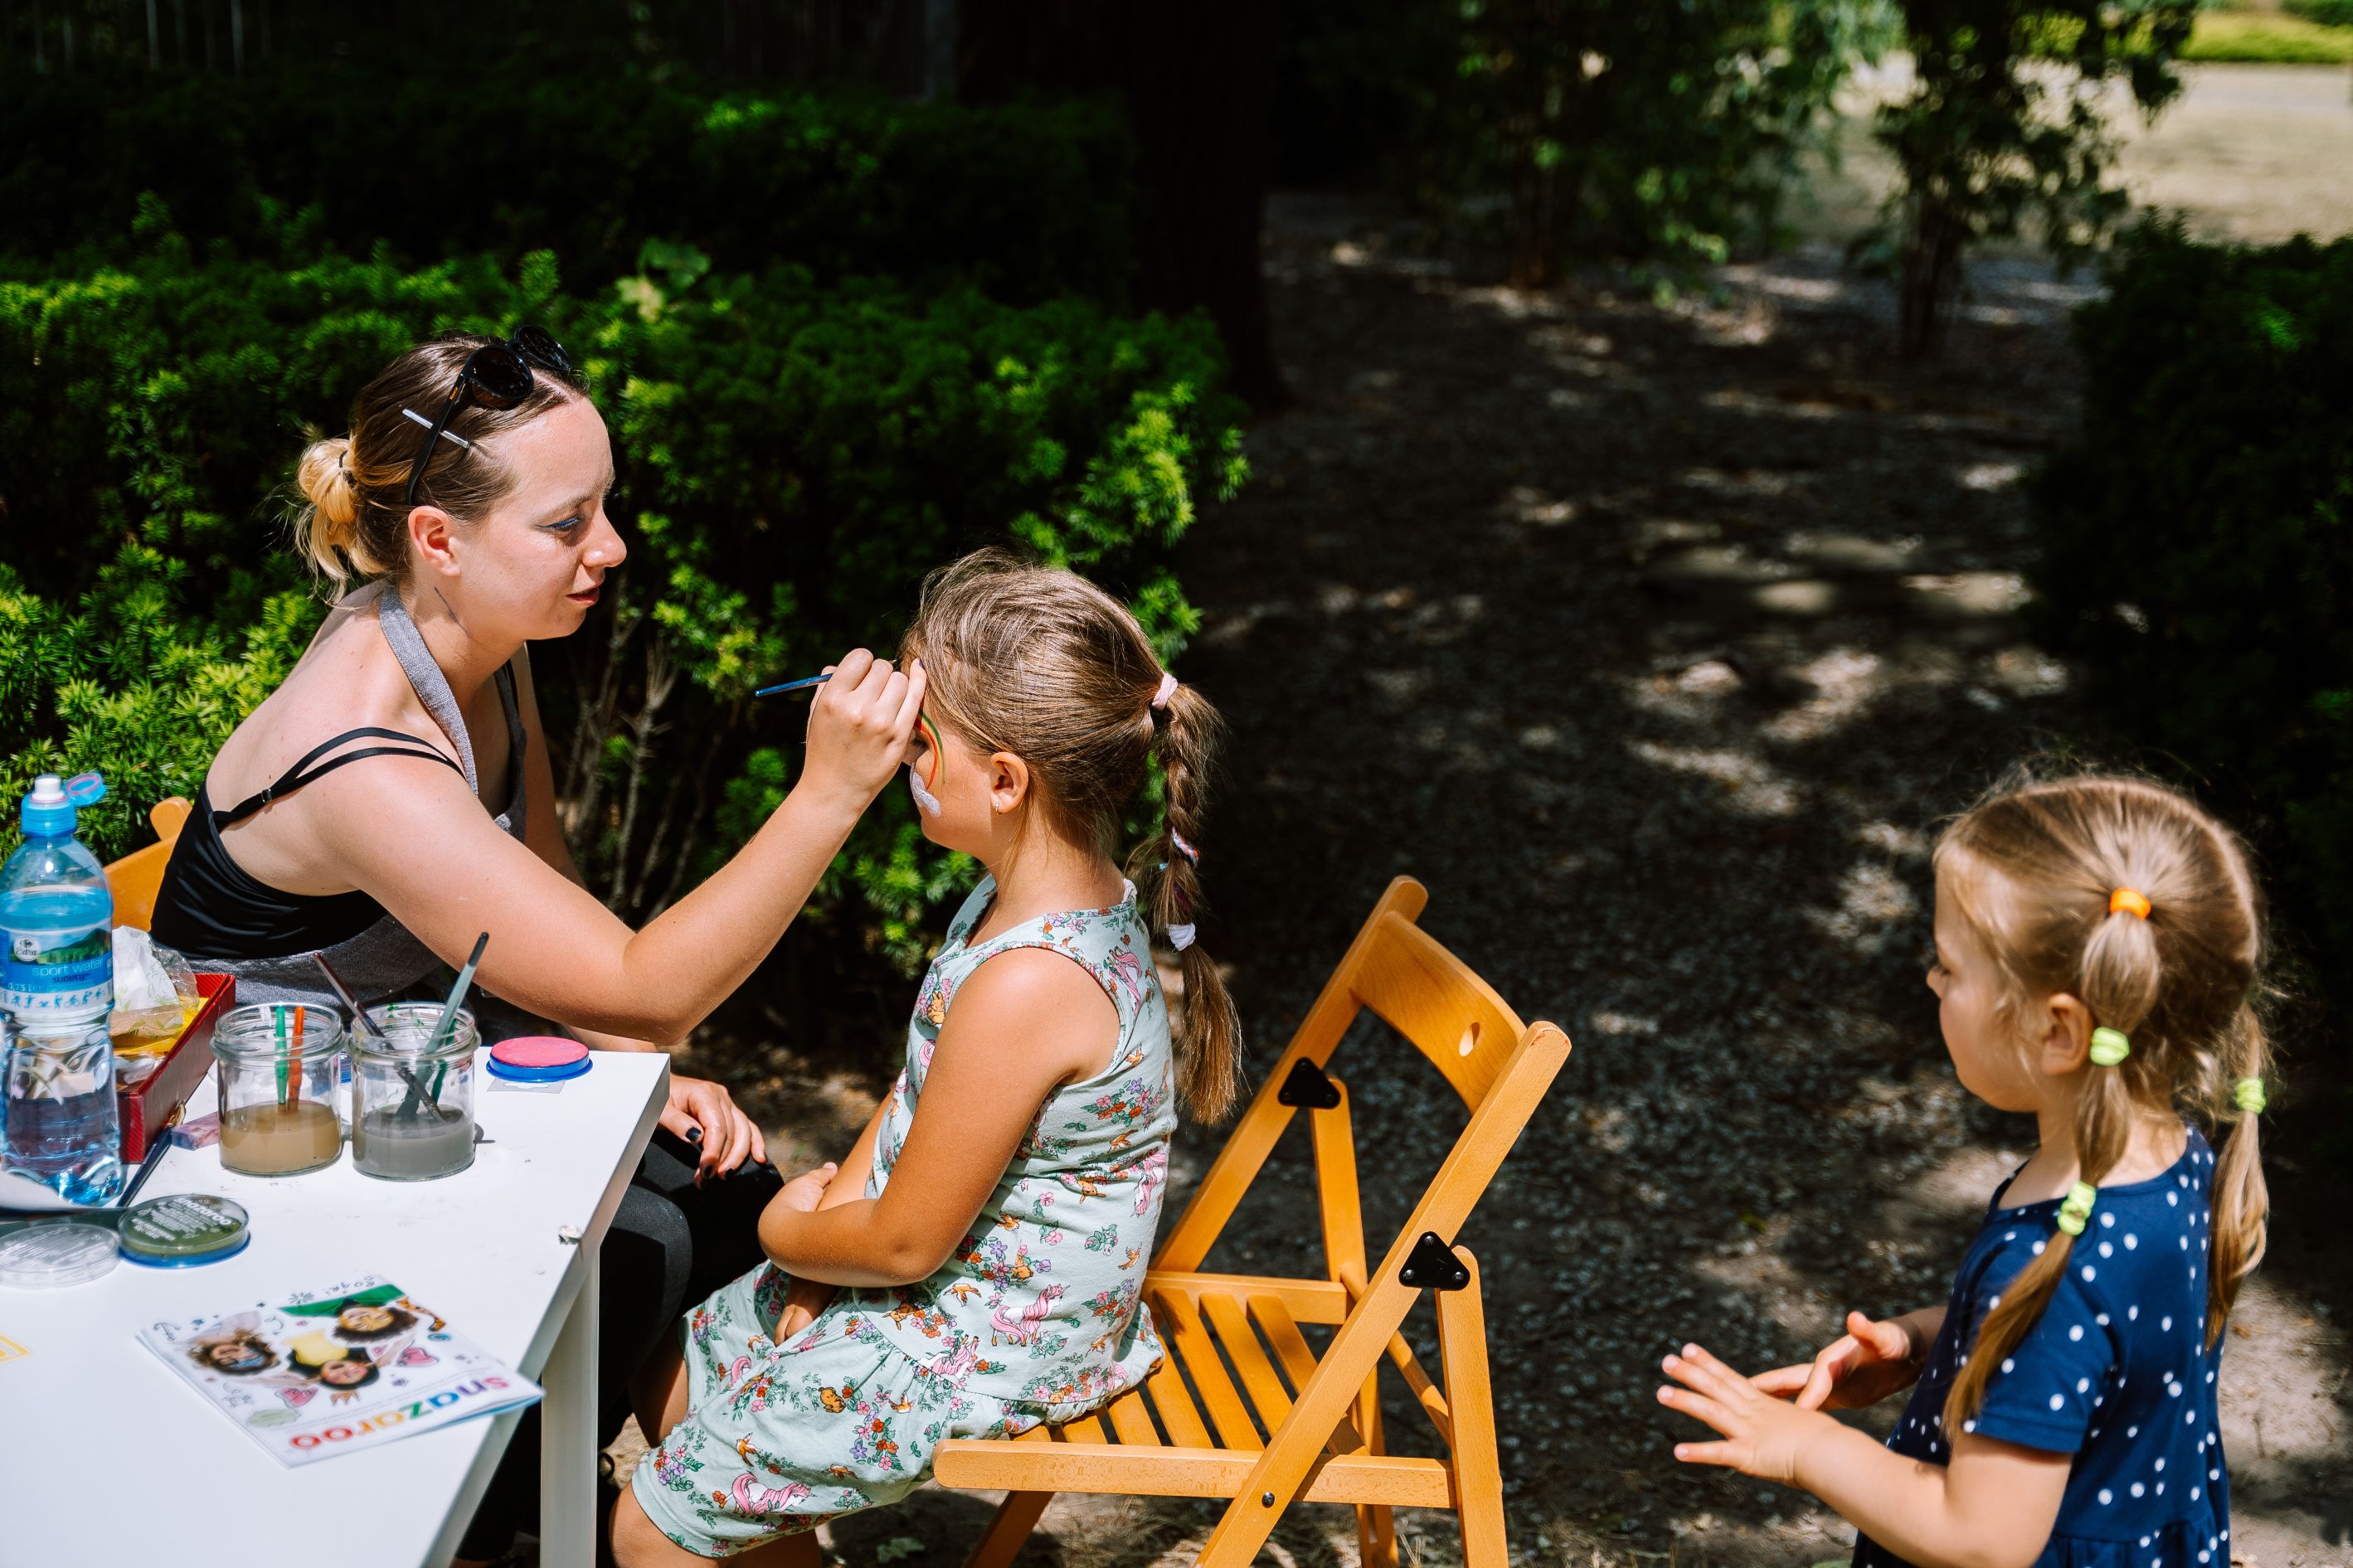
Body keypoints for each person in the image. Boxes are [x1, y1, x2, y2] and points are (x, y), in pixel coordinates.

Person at [145, 328, 925, 1561]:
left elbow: (556, 915)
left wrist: (630, 1064)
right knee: (643, 1247)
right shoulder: (361, 753)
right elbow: (644, 984)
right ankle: (512, 1527)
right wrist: (828, 793)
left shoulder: (487, 652)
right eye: (567, 523)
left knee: (725, 1192)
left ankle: (704, 1521)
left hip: (417, 1081)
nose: (610, 547)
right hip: (272, 1143)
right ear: (439, 540)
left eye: (605, 506)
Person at [612, 551, 1244, 1566]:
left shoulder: (1031, 981)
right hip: (947, 1281)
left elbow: (906, 1246)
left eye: (920, 737)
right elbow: (917, 1094)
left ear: (1004, 780)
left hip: (993, 1339)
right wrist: (820, 1249)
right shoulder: (1019, 900)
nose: (901, 752)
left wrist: (787, 1231)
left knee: (647, 1531)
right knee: (672, 1375)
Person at [1655, 774, 2272, 1568]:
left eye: (1950, 965)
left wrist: (1807, 1447)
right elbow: (2102, 1353)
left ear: (2058, 1030)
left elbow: (1984, 1537)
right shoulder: (2173, 1154)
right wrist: (1928, 1342)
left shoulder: (2055, 1268)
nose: (1931, 980)